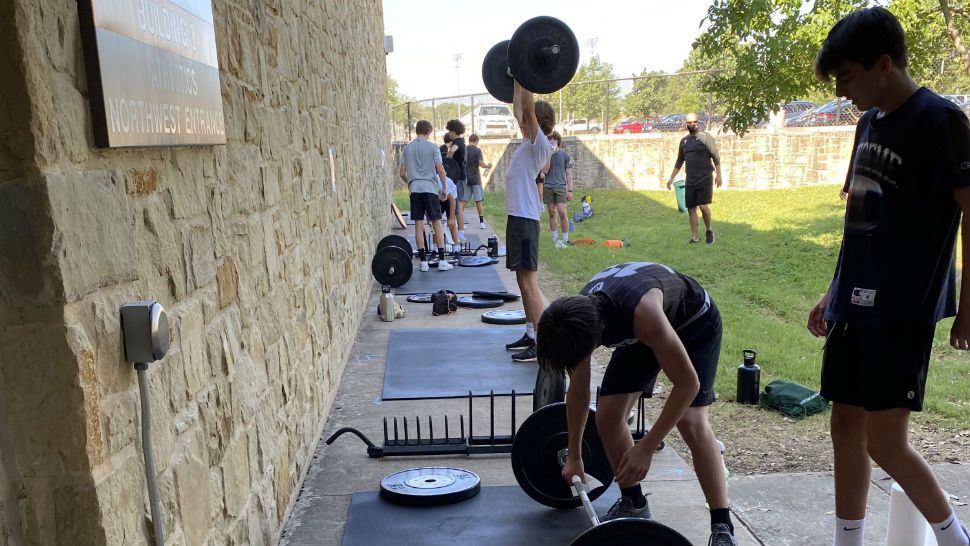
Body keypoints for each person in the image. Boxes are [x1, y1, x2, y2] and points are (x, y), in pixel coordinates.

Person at [807, 7, 970, 546]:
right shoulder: (867, 123)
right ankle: (847, 541)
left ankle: (953, 538)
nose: (843, 91)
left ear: (883, 64)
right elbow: (858, 220)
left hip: (903, 305)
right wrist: (833, 292)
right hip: (854, 303)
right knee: (845, 425)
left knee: (887, 443)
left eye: (847, 77)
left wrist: (968, 309)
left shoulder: (941, 121)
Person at [537, 262, 736, 546]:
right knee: (607, 416)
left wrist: (646, 447)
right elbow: (579, 393)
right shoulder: (571, 319)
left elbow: (687, 385)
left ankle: (723, 527)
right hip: (641, 332)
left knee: (691, 421)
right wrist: (575, 456)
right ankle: (635, 504)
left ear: (596, 338)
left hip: (694, 322)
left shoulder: (642, 314)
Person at [503, 81, 556, 362]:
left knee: (529, 283)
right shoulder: (527, 143)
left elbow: (526, 109)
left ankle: (542, 344)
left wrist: (527, 77)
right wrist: (516, 79)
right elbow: (518, 107)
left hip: (525, 220)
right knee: (521, 281)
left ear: (537, 120)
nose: (522, 119)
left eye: (528, 117)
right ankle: (530, 332)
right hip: (517, 218)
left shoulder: (540, 145)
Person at [398, 120, 453, 272]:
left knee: (418, 224)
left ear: (416, 131)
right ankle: (442, 260)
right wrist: (444, 188)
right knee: (436, 222)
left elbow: (402, 173)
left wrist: (411, 182)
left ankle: (423, 263)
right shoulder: (433, 146)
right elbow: (440, 169)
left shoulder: (408, 148)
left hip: (415, 189)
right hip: (430, 188)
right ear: (429, 131)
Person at [665, 113, 722, 244]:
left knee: (703, 206)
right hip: (690, 179)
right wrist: (671, 178)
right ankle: (695, 238)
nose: (693, 124)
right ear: (686, 124)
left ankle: (709, 230)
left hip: (705, 177)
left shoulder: (706, 137)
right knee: (691, 208)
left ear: (698, 122)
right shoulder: (684, 141)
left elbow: (716, 157)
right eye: (690, 122)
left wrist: (719, 175)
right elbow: (679, 161)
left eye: (695, 122)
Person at [539, 131, 574, 248]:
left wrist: (570, 190)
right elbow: (543, 172)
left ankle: (565, 239)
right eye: (550, 139)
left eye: (554, 139)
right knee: (551, 213)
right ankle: (555, 239)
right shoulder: (544, 155)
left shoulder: (564, 156)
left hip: (560, 187)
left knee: (562, 212)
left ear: (558, 141)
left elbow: (568, 174)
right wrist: (549, 154)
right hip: (548, 186)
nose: (552, 141)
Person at [445, 119, 468, 242]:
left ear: (454, 131)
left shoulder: (457, 142)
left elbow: (452, 151)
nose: (449, 133)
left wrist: (446, 161)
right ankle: (460, 231)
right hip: (459, 177)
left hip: (459, 178)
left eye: (449, 131)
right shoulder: (461, 141)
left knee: (457, 205)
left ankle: (461, 232)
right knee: (456, 204)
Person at [465, 134, 493, 229]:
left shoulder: (464, 149)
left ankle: (458, 221)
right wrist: (488, 166)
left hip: (466, 179)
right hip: (476, 179)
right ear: (476, 140)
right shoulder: (477, 150)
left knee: (463, 201)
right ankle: (481, 222)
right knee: (478, 201)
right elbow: (480, 163)